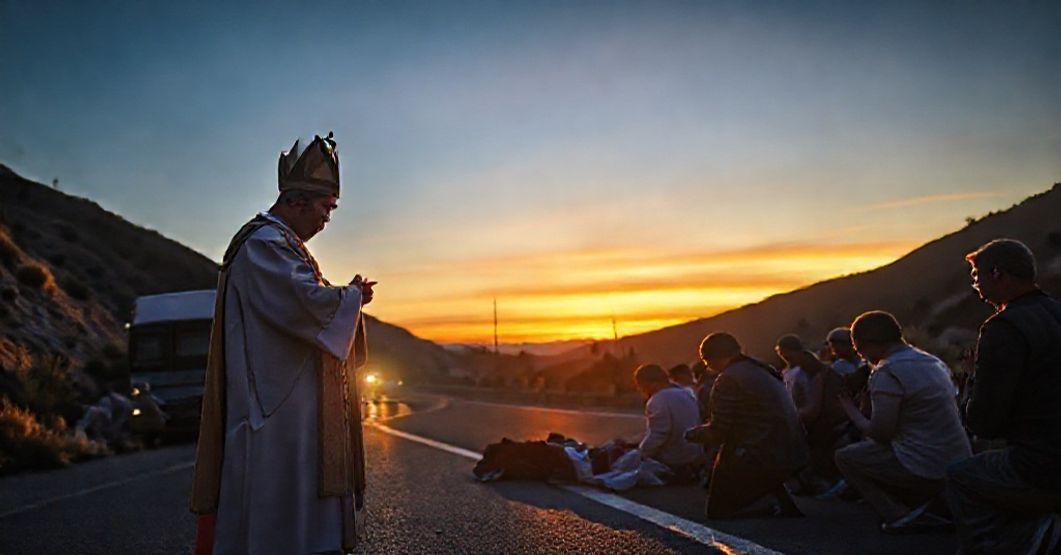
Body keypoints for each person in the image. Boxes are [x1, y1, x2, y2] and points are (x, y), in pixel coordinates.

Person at [190, 133, 374, 555]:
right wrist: (349, 298)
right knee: (278, 524)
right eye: (325, 208)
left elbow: (306, 302)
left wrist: (345, 298)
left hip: (292, 405)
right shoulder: (263, 245)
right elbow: (299, 304)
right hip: (274, 411)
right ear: (296, 201)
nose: (327, 220)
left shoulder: (282, 245)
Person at [947, 239, 1061, 553]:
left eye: (976, 276)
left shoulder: (1003, 327)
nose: (975, 285)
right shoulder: (1056, 311)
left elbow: (984, 422)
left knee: (960, 476)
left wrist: (972, 382)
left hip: (1042, 463)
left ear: (998, 274)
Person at [835, 311, 971, 534]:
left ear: (867, 344)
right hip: (958, 457)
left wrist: (851, 410)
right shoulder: (933, 362)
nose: (863, 358)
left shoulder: (887, 372)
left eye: (860, 351)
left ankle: (898, 515)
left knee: (846, 457)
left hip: (925, 466)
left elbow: (880, 433)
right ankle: (927, 503)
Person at [686, 333, 808, 519]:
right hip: (795, 449)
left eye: (706, 360)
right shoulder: (762, 368)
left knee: (718, 511)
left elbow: (719, 431)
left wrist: (692, 434)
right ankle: (775, 494)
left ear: (714, 358)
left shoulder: (728, 378)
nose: (707, 366)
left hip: (763, 455)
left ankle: (769, 502)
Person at [776, 334, 848, 494]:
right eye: (781, 353)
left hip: (819, 419)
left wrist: (793, 416)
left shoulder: (812, 372)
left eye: (785, 352)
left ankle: (820, 481)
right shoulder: (791, 371)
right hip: (803, 416)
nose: (784, 356)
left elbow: (814, 405)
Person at [633, 364, 703, 481]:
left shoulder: (658, 399)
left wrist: (641, 454)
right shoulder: (686, 393)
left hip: (674, 458)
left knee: (628, 461)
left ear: (649, 383)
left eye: (640, 386)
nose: (640, 390)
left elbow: (658, 435)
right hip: (693, 455)